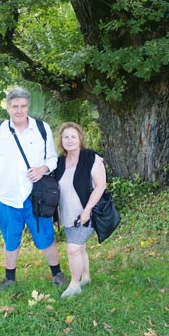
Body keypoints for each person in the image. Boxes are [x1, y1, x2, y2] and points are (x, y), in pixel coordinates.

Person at [0, 87, 67, 291]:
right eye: (15, 106)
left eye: (23, 106)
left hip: (36, 197)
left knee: (46, 236)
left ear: (28, 106)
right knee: (10, 239)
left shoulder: (41, 128)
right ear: (8, 108)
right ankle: (9, 279)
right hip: (7, 198)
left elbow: (53, 158)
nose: (19, 110)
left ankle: (57, 274)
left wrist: (43, 168)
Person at [55, 122, 107, 298]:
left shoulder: (91, 158)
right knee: (80, 248)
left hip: (87, 214)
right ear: (61, 141)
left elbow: (101, 186)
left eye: (73, 136)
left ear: (80, 139)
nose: (69, 140)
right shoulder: (60, 162)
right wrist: (57, 214)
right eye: (66, 137)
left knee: (73, 249)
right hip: (68, 214)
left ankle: (74, 285)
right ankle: (86, 278)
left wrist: (87, 210)